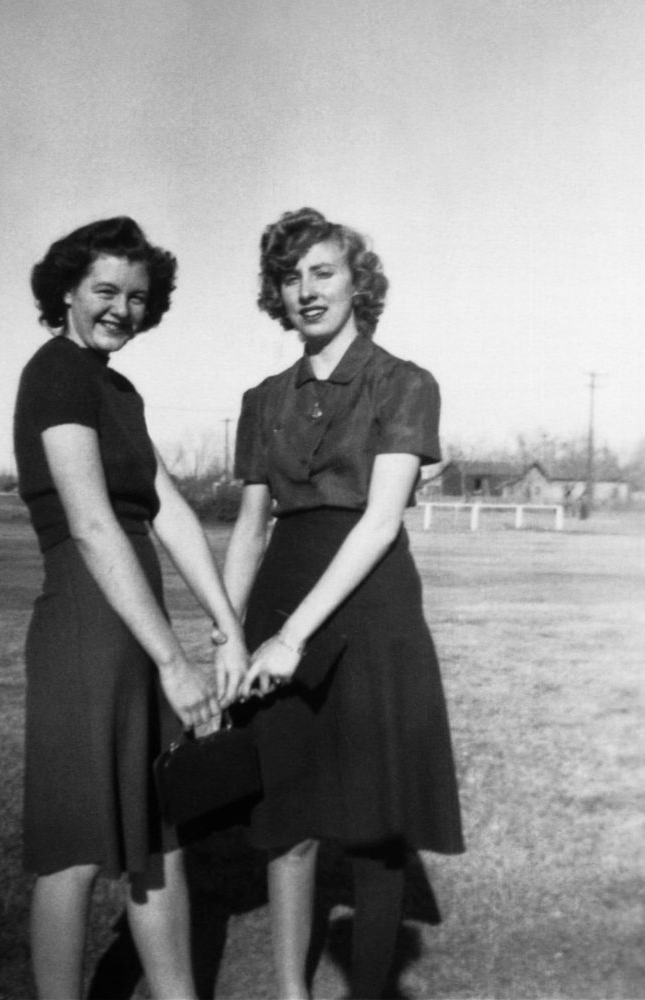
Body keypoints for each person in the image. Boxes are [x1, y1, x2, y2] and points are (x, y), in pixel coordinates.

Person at [224, 207, 464, 999]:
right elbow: (252, 526)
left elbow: (380, 519)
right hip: (281, 601)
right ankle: (291, 993)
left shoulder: (405, 383)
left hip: (370, 611)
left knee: (372, 832)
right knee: (286, 821)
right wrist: (230, 636)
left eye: (322, 272)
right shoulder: (263, 399)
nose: (305, 290)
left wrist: (293, 635)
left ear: (358, 281)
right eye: (289, 279)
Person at [13, 216, 248, 1000]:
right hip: (86, 624)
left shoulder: (117, 388)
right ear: (69, 293)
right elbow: (89, 522)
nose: (122, 308)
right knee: (76, 850)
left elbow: (167, 508)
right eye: (106, 291)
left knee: (158, 836)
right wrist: (174, 660)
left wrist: (225, 619)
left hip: (131, 618)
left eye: (138, 297)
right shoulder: (55, 373)